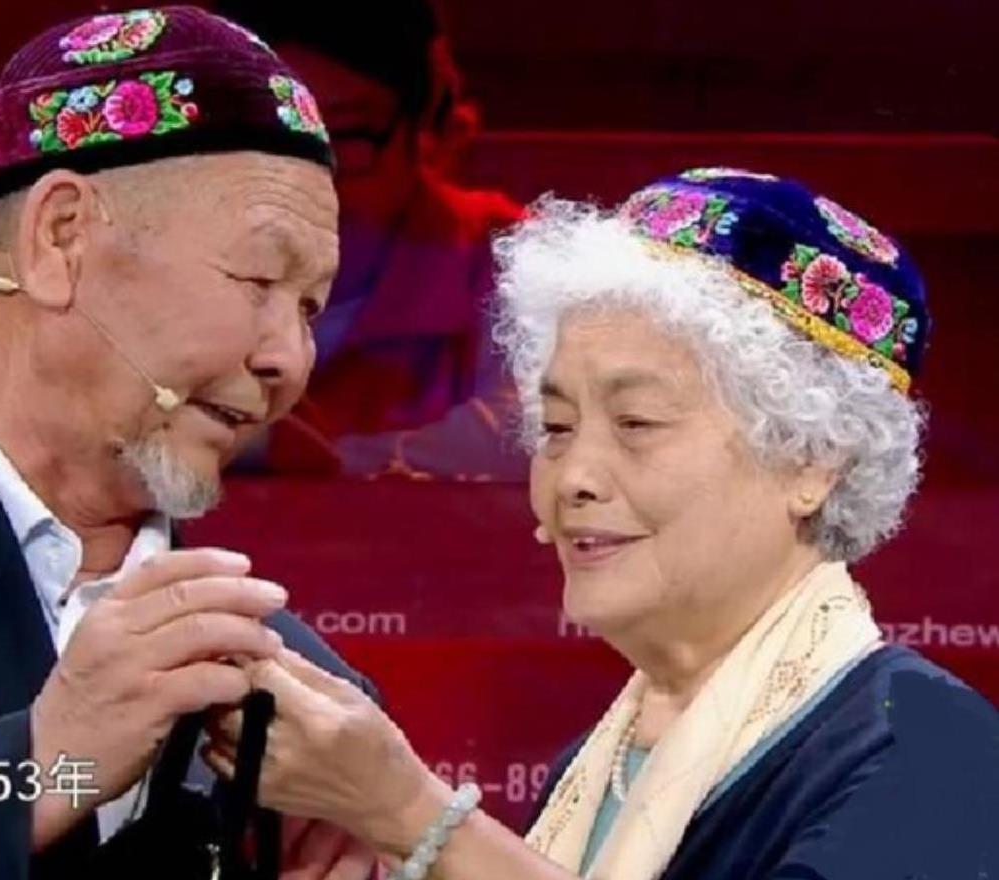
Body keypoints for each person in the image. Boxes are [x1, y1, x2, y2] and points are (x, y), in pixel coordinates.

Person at [206, 169, 999, 878]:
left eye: (636, 423)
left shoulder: (931, 750)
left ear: (813, 460)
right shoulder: (589, 769)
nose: (573, 478)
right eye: (556, 428)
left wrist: (411, 813)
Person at [0, 7, 377, 878]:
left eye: (310, 307)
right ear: (60, 238)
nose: (289, 359)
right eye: (259, 279)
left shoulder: (301, 693)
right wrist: (39, 768)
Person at [215, 0, 528, 480]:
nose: (308, 180)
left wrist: (326, 462)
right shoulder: (162, 258)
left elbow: (531, 433)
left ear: (426, 121)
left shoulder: (504, 256)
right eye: (268, 137)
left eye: (346, 133)